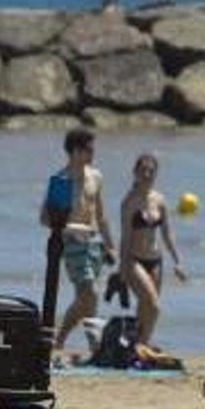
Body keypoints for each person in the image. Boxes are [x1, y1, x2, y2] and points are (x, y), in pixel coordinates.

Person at [41, 128, 116, 353]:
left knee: (89, 300)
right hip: (71, 242)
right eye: (88, 149)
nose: (93, 153)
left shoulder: (96, 177)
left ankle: (89, 345)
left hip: (94, 243)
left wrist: (111, 245)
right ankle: (64, 336)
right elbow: (45, 218)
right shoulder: (61, 180)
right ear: (74, 151)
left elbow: (101, 215)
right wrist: (74, 227)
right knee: (88, 292)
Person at [118, 153, 187, 354]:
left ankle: (136, 345)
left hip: (155, 260)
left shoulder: (160, 199)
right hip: (134, 260)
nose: (147, 174)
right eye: (143, 170)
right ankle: (143, 345)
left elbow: (167, 233)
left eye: (151, 170)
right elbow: (126, 237)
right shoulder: (129, 202)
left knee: (145, 307)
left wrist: (178, 261)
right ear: (135, 173)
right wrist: (122, 269)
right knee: (154, 305)